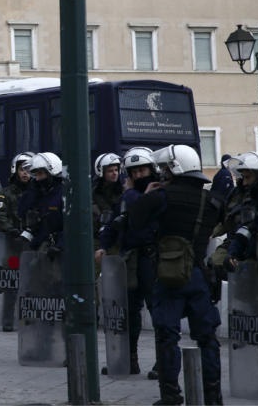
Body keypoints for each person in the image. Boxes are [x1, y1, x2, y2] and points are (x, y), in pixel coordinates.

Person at [126, 145, 223, 405]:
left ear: (174, 168)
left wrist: (139, 195)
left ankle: (171, 396)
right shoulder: (211, 200)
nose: (163, 173)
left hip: (168, 277)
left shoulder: (160, 196)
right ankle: (213, 397)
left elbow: (134, 221)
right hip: (199, 277)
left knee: (167, 336)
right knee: (208, 339)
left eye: (166, 168)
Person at [95, 147, 159, 376]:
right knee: (129, 311)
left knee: (158, 309)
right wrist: (103, 245)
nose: (140, 176)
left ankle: (163, 362)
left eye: (143, 170)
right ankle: (128, 359)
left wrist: (134, 195)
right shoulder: (127, 197)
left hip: (152, 259)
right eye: (135, 172)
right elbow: (115, 222)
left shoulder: (159, 193)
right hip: (130, 259)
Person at [222, 152, 258, 401]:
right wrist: (233, 252)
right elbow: (246, 229)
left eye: (248, 176)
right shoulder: (252, 199)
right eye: (242, 175)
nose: (243, 181)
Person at [0, 152, 35, 331]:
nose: (26, 173)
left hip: (33, 246)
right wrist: (13, 230)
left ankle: (31, 320)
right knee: (11, 283)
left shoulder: (37, 193)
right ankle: (8, 321)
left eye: (29, 170)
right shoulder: (5, 194)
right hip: (13, 246)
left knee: (33, 282)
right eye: (22, 169)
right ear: (15, 171)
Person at [26, 152, 64, 253]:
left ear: (52, 172)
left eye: (40, 174)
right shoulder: (39, 195)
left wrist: (60, 245)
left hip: (62, 251)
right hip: (44, 248)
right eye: (36, 174)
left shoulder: (64, 194)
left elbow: (71, 226)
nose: (37, 178)